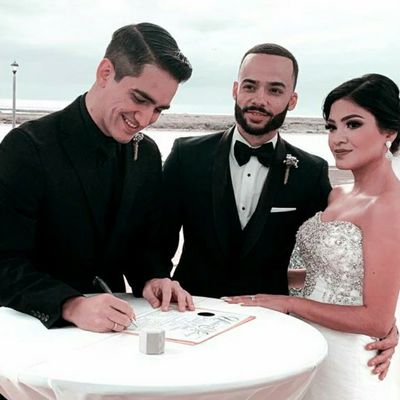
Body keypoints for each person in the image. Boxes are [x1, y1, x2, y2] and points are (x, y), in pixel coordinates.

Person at [161, 45, 397, 377]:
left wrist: (383, 321)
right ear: (235, 89)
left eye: (274, 90)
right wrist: (154, 284)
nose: (259, 99)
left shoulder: (311, 172)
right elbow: (154, 240)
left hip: (277, 337)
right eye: (250, 86)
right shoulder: (186, 155)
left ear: (292, 100)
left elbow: (354, 270)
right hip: (188, 321)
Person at [0, 22, 195, 333]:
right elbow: (5, 261)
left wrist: (152, 278)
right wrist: (70, 304)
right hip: (36, 331)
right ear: (105, 73)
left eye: (159, 109)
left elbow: (141, 246)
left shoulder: (146, 154)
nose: (145, 119)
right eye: (139, 99)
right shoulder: (26, 147)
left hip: (116, 329)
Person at [226, 73, 400, 398]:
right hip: (304, 347)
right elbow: (320, 274)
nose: (338, 139)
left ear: (389, 131)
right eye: (332, 127)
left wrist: (289, 304)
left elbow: (376, 320)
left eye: (353, 124)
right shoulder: (337, 195)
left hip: (348, 361)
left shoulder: (390, 207)